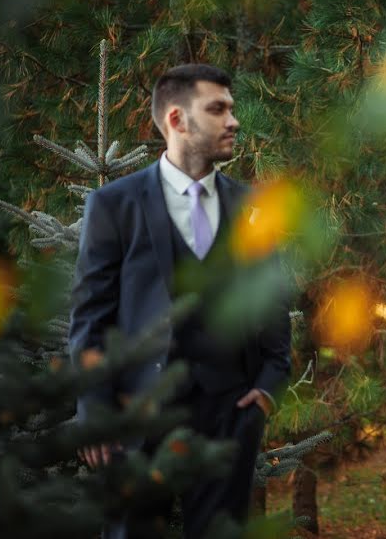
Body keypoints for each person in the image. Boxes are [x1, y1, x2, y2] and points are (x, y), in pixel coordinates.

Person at [69, 64, 291, 538]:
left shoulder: (253, 207)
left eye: (231, 108)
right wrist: (94, 410)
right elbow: (90, 314)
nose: (233, 121)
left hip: (228, 413)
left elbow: (272, 306)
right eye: (218, 109)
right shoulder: (113, 204)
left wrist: (268, 389)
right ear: (176, 119)